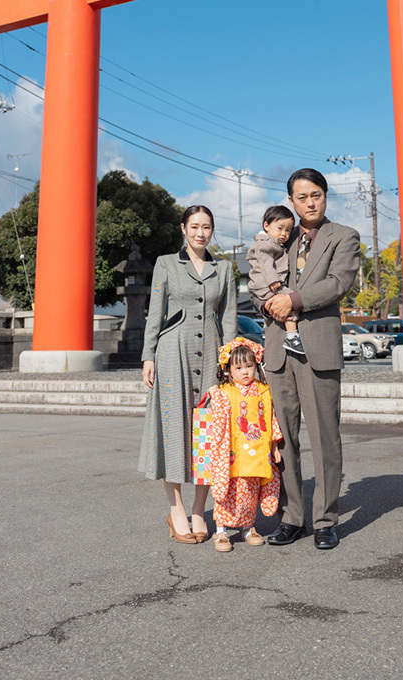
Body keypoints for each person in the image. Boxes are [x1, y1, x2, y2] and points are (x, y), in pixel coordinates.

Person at [255, 168, 360, 551]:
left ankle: (326, 519)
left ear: (325, 196)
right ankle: (293, 517)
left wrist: (293, 300)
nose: (310, 202)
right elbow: (257, 276)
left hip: (319, 350)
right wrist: (267, 302)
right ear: (291, 201)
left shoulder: (344, 236)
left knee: (325, 437)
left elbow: (337, 283)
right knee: (284, 440)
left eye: (316, 195)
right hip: (280, 352)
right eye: (302, 197)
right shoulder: (280, 236)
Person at [139, 205, 237, 543]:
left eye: (206, 227)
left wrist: (230, 362)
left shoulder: (223, 269)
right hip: (171, 354)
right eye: (194, 226)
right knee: (174, 430)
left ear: (212, 231)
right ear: (183, 228)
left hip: (211, 357)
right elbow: (156, 313)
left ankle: (200, 509)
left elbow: (228, 318)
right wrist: (148, 355)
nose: (200, 232)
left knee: (209, 435)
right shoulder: (166, 263)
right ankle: (176, 509)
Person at [209, 337, 282, 552]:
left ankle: (248, 527)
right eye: (238, 367)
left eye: (249, 366)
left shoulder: (263, 390)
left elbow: (270, 418)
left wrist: (275, 446)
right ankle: (220, 529)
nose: (245, 372)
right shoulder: (225, 391)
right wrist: (215, 393)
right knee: (226, 489)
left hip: (256, 452)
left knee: (250, 491)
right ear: (228, 370)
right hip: (231, 453)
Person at [246, 205, 304, 354]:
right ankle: (291, 336)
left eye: (288, 230)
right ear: (266, 225)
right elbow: (265, 263)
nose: (284, 233)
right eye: (280, 228)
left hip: (266, 284)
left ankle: (287, 334)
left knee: (286, 301)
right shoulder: (265, 243)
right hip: (266, 284)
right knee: (291, 299)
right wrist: (273, 280)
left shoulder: (274, 243)